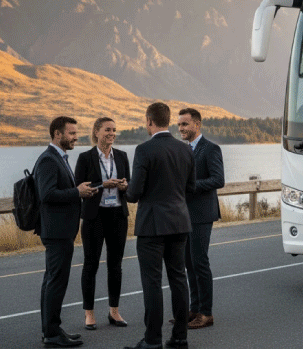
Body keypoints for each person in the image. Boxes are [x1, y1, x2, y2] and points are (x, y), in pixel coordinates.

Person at [124, 103, 195, 349]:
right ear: (168, 121)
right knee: (179, 279)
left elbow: (134, 194)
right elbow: (191, 187)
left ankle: (153, 340)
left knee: (152, 282)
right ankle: (180, 337)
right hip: (179, 222)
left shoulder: (144, 150)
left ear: (149, 121)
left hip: (152, 225)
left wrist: (125, 188)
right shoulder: (185, 149)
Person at [35, 116, 97, 347]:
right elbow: (47, 194)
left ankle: (51, 329)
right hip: (57, 232)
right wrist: (77, 192)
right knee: (56, 282)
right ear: (57, 134)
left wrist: (79, 192)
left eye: (75, 133)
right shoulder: (49, 160)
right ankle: (52, 334)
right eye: (71, 133)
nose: (76, 137)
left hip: (61, 230)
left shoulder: (58, 157)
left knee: (52, 281)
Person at [74, 117, 130, 331]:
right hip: (93, 217)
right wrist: (102, 184)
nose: (112, 133)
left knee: (116, 265)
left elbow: (130, 183)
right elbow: (79, 187)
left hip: (117, 215)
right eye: (107, 130)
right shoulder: (85, 157)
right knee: (91, 264)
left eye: (114, 130)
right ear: (96, 132)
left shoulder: (122, 156)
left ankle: (114, 311)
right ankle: (89, 314)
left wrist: (124, 186)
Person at [177, 108, 225, 329]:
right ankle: (194, 309)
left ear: (197, 124)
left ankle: (206, 313)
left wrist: (190, 186)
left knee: (199, 262)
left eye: (185, 124)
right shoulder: (183, 150)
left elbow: (218, 180)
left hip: (202, 214)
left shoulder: (211, 149)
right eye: (179, 125)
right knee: (189, 263)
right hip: (184, 214)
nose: (181, 129)